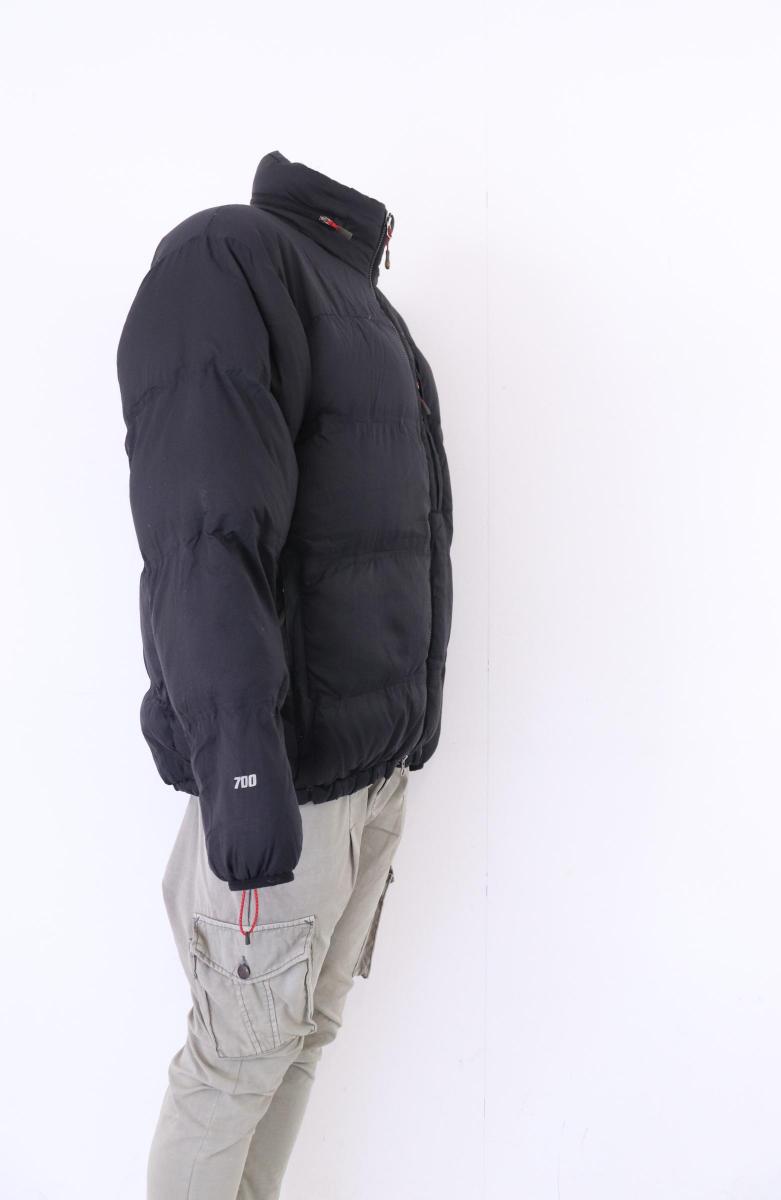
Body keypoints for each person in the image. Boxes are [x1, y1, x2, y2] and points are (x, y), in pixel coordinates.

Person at [117, 150, 454, 1199]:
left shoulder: (366, 308)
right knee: (236, 1063)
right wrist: (243, 768)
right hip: (282, 781)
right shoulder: (231, 259)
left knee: (296, 1041)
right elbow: (203, 539)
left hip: (364, 778)